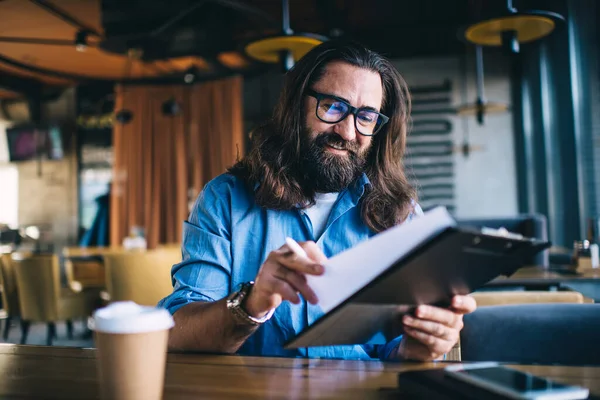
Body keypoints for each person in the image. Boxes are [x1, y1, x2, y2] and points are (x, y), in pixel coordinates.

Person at [158, 40, 476, 361]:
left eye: (365, 117)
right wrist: (252, 303)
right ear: (295, 107)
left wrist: (417, 347)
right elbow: (177, 330)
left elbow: (394, 348)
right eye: (333, 106)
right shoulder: (225, 200)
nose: (348, 132)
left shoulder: (402, 216)